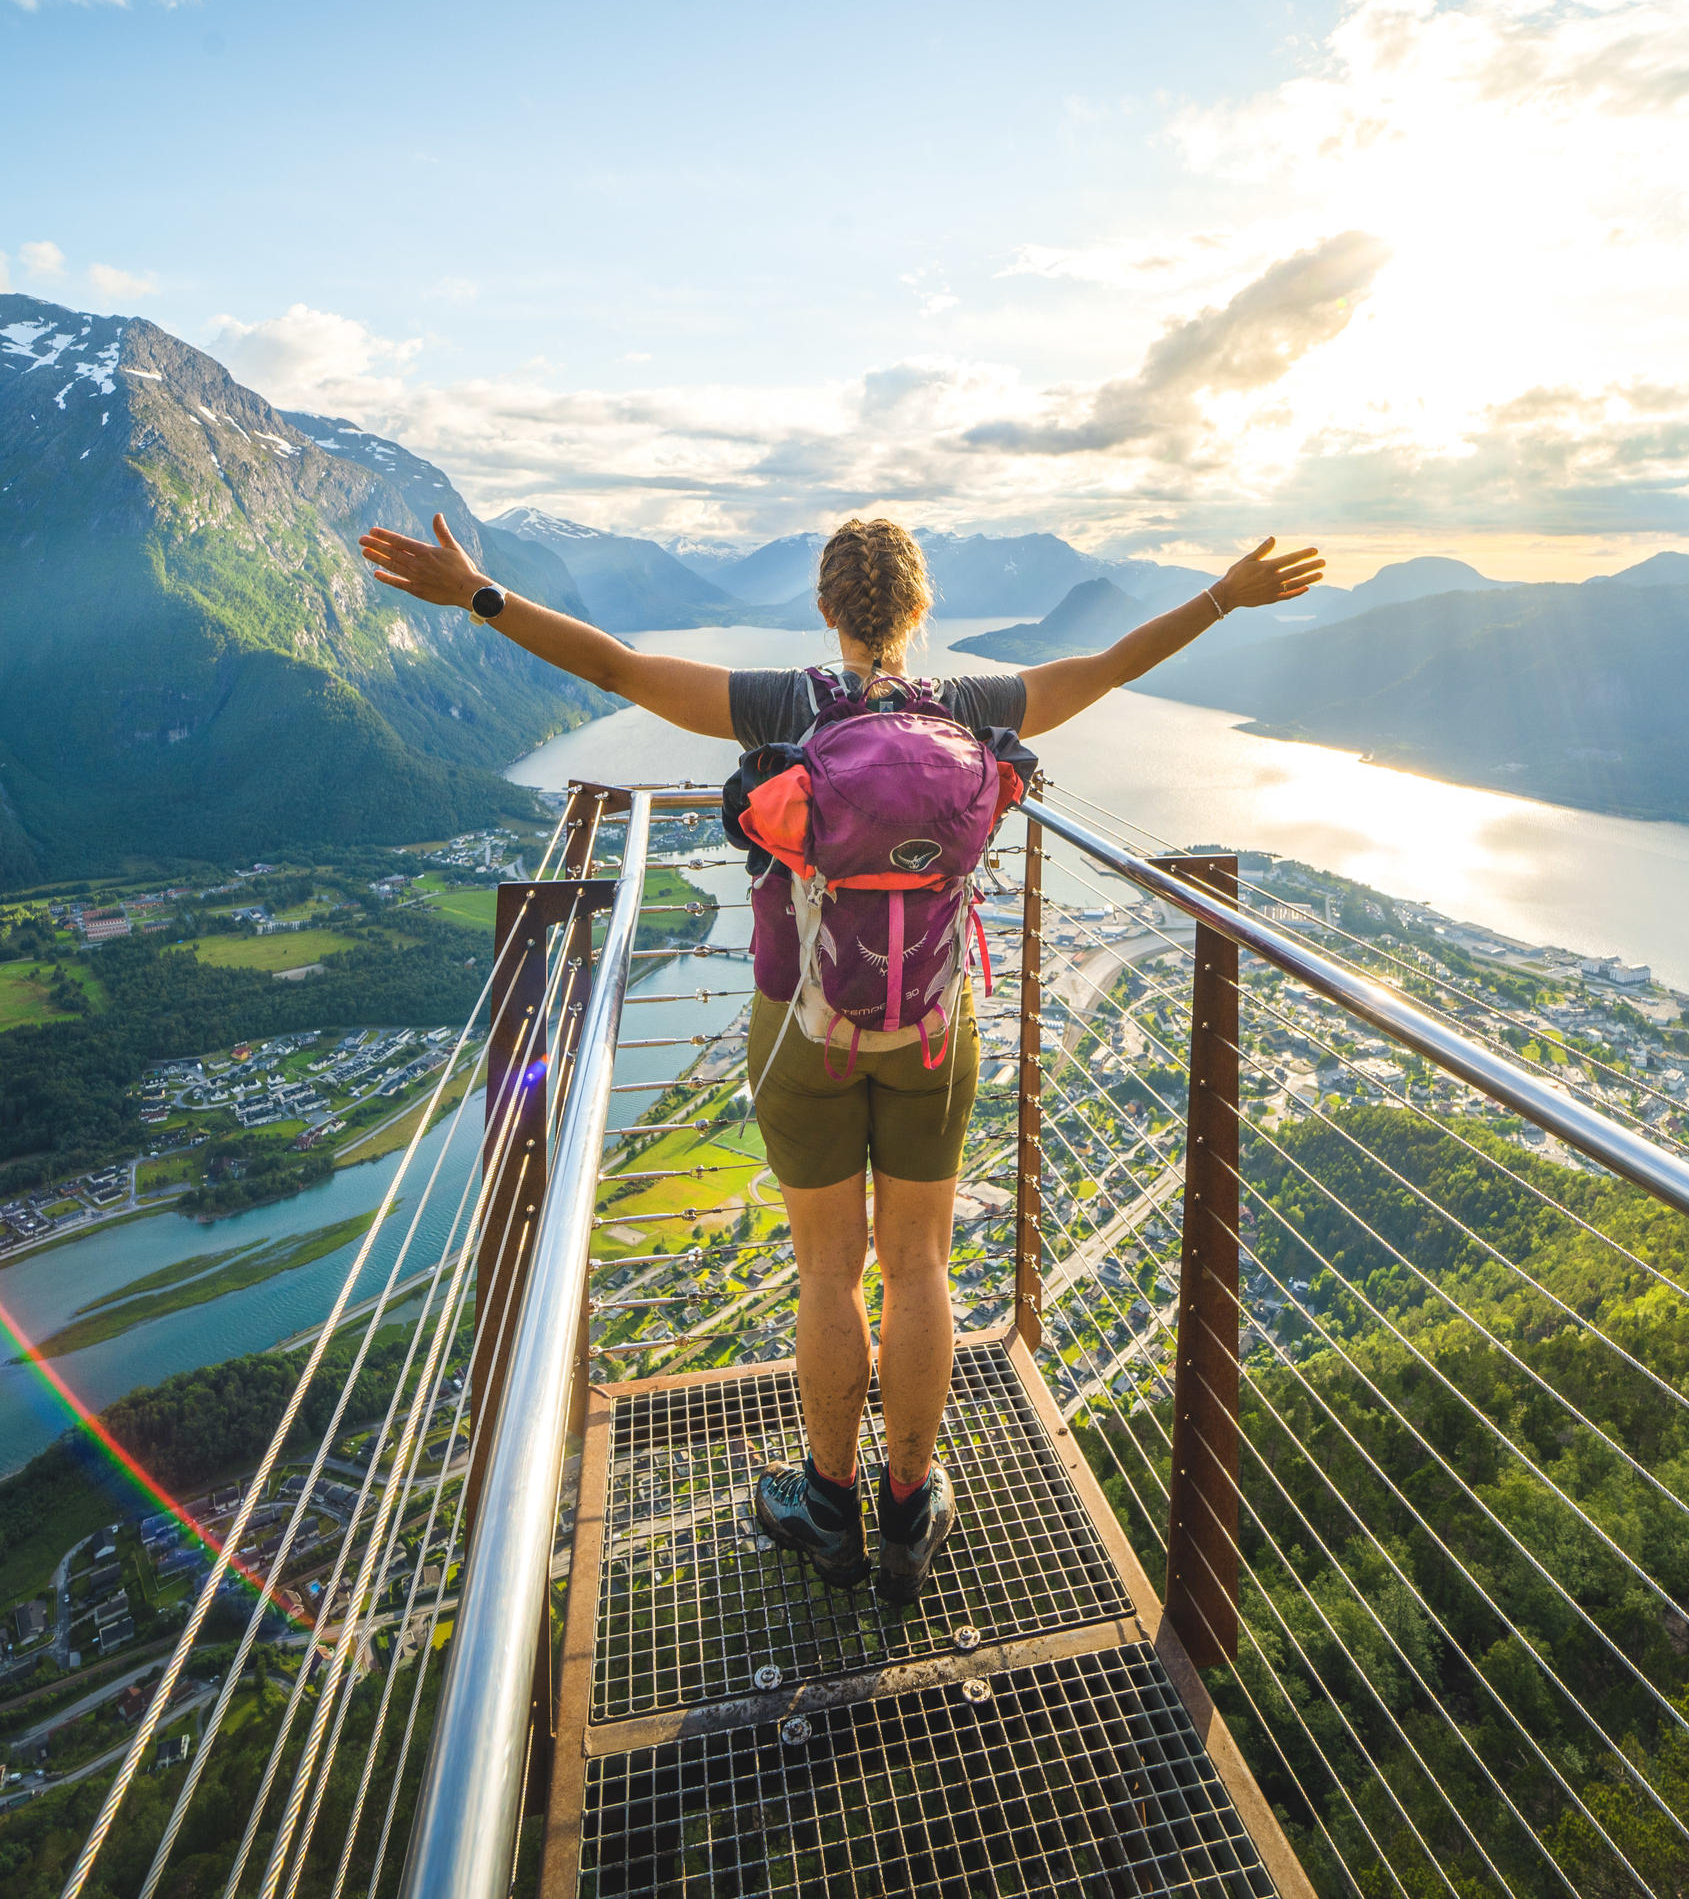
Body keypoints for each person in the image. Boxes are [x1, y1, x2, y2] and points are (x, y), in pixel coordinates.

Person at [358, 511, 1322, 1603]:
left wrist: (478, 595)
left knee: (829, 1269)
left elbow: (616, 667)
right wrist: (1223, 596)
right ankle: (910, 1508)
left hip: (801, 1026)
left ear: (826, 609)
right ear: (920, 609)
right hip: (933, 1028)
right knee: (920, 1266)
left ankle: (829, 1503)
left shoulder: (783, 705)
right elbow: (1105, 670)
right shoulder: (973, 707)